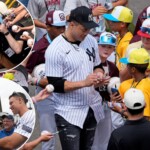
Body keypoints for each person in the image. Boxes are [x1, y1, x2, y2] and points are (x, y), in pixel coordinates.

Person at [45, 6, 105, 150]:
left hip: (91, 107)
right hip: (68, 112)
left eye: (89, 28)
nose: (87, 32)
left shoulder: (90, 40)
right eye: (84, 29)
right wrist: (84, 83)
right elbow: (56, 85)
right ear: (72, 24)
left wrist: (99, 74)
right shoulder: (55, 49)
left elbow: (98, 65)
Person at [26, 10, 66, 150]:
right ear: (48, 27)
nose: (62, 30)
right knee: (48, 135)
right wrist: (37, 81)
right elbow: (26, 72)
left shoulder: (68, 42)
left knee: (69, 133)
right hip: (45, 96)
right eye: (58, 27)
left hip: (65, 93)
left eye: (64, 26)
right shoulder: (39, 48)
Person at [92, 32, 119, 150]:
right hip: (89, 107)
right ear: (97, 45)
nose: (106, 49)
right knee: (90, 140)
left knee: (104, 141)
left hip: (105, 107)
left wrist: (114, 97)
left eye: (109, 47)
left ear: (114, 48)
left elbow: (115, 90)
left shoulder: (112, 67)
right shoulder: (89, 63)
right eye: (103, 46)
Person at [111, 48, 150, 120]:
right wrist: (114, 101)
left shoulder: (143, 89)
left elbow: (144, 118)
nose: (126, 67)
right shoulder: (126, 84)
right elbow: (116, 104)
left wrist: (121, 111)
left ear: (133, 69)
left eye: (127, 65)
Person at [103, 6, 133, 70]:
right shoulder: (120, 36)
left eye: (113, 21)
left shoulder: (127, 43)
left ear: (122, 24)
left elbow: (124, 67)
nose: (110, 23)